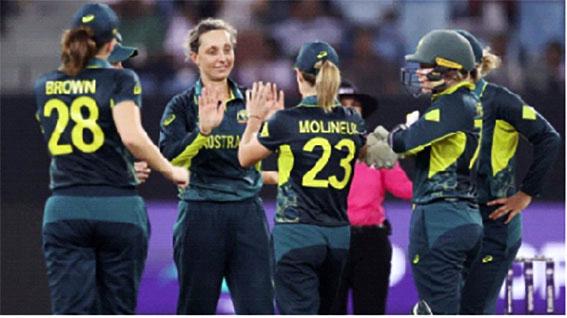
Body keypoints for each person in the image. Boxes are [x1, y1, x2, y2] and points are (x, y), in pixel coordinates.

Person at [34, 3, 188, 314]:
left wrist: (123, 167)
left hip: (66, 207)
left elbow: (78, 146)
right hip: (117, 208)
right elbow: (131, 136)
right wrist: (170, 171)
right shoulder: (121, 80)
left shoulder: (45, 85)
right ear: (112, 43)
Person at [238, 41, 367, 314]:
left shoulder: (285, 121)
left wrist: (255, 119)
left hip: (296, 234)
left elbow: (244, 158)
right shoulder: (353, 120)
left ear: (298, 75)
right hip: (338, 237)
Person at [158, 18, 273, 314]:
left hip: (246, 213)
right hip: (200, 213)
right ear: (195, 57)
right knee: (196, 308)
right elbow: (169, 160)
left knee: (259, 308)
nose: (222, 58)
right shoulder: (182, 106)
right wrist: (203, 132)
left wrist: (267, 123)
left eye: (227, 49)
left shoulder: (252, 102)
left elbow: (260, 161)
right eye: (212, 51)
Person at [370, 29, 484, 314]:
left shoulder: (453, 105)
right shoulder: (467, 104)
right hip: (464, 216)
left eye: (425, 66)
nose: (418, 73)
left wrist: (393, 137)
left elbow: (403, 141)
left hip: (440, 219)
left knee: (437, 310)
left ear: (447, 68)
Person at [456, 30, 561, 315]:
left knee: (473, 308)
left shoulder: (499, 100)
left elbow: (549, 138)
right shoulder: (443, 104)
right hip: (458, 220)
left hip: (494, 222)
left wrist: (526, 194)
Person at [333, 81, 413, 314]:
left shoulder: (375, 148)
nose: (348, 110)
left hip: (370, 242)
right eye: (342, 105)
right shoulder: (316, 148)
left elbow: (404, 189)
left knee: (371, 310)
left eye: (353, 106)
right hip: (331, 238)